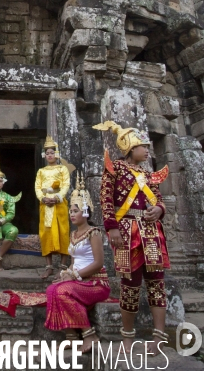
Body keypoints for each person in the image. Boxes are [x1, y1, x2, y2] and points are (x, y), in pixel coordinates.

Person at [93, 120, 170, 354]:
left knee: (157, 283)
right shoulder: (114, 168)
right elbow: (106, 200)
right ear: (130, 148)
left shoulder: (148, 175)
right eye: (143, 146)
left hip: (150, 232)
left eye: (147, 146)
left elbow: (157, 199)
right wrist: (112, 227)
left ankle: (158, 337)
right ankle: (127, 337)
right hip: (126, 232)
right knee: (130, 284)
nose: (147, 150)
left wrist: (160, 210)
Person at [45, 173, 110, 353]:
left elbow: (98, 263)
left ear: (86, 211)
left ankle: (89, 335)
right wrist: (66, 273)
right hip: (80, 280)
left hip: (96, 282)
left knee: (63, 291)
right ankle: (72, 336)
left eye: (76, 211)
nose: (72, 214)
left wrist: (74, 275)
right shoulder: (73, 235)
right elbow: (75, 262)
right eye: (71, 211)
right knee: (52, 290)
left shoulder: (94, 233)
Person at [35, 136, 71, 278]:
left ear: (56, 154)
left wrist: (57, 197)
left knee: (63, 231)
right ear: (44, 155)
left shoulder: (63, 169)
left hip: (59, 204)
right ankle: (48, 266)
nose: (50, 155)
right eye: (47, 153)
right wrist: (42, 198)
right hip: (45, 205)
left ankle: (62, 266)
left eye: (52, 152)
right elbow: (37, 187)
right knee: (46, 233)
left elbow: (66, 185)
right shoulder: (41, 171)